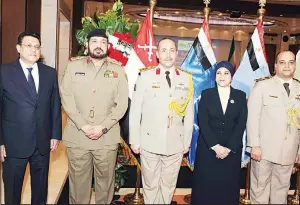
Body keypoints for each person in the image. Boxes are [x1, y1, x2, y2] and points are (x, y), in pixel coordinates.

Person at [60, 29, 128, 204]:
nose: (99, 46)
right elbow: (66, 98)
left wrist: (102, 127)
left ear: (108, 46)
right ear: (87, 45)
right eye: (95, 41)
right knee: (78, 185)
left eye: (103, 42)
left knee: (105, 186)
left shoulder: (118, 70)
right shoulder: (73, 67)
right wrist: (83, 125)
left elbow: (121, 105)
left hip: (106, 137)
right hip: (78, 136)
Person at [129, 38, 194, 204]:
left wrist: (186, 141)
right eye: (164, 50)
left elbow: (189, 114)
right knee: (150, 185)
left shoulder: (186, 79)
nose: (168, 55)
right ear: (157, 54)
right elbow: (136, 111)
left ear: (177, 54)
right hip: (149, 142)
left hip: (175, 143)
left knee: (169, 185)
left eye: (172, 50)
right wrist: (135, 140)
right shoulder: (146, 76)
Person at [0, 31, 62, 204]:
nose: (33, 50)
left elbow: (55, 104)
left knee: (40, 190)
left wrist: (55, 134)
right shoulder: (4, 72)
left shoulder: (49, 73)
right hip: (13, 144)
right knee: (12, 190)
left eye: (37, 46)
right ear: (18, 48)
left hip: (42, 143)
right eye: (28, 45)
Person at [247, 50, 300, 204]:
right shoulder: (262, 85)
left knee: (281, 192)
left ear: (295, 65)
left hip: (288, 151)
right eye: (282, 62)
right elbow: (253, 118)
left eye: (291, 62)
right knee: (259, 192)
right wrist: (254, 145)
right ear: (275, 66)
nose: (287, 66)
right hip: (263, 151)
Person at [191, 61, 247, 205]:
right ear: (215, 76)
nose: (222, 76)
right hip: (208, 149)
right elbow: (202, 122)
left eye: (226, 73)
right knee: (205, 188)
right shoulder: (206, 94)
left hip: (231, 151)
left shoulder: (240, 96)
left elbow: (241, 124)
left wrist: (228, 148)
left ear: (231, 76)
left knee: (227, 187)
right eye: (219, 73)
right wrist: (215, 146)